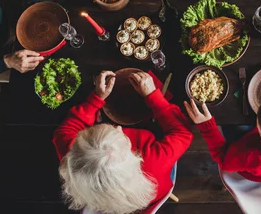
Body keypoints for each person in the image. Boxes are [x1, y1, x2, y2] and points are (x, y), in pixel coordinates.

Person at [53, 70, 193, 214]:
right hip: (154, 189)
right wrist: (153, 96)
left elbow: (66, 129)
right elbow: (183, 132)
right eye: (118, 133)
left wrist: (95, 99)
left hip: (96, 198)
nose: (119, 127)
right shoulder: (154, 162)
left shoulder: (74, 156)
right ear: (132, 156)